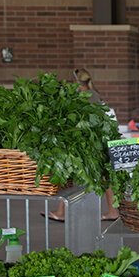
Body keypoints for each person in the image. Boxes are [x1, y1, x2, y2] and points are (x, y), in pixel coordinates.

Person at [44, 68, 120, 222]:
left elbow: (86, 120)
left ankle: (61, 212)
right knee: (103, 177)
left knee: (68, 171)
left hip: (91, 142)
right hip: (95, 141)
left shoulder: (89, 96)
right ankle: (112, 211)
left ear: (79, 82)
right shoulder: (92, 95)